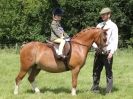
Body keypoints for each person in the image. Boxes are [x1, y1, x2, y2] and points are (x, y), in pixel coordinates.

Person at [91, 7, 118, 93]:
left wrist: (112, 52)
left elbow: (115, 40)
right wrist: (96, 47)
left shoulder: (113, 26)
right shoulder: (99, 25)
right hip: (98, 53)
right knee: (96, 71)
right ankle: (95, 88)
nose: (102, 16)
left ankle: (108, 90)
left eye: (104, 14)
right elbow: (93, 39)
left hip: (107, 52)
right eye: (101, 15)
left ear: (109, 15)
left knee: (108, 72)